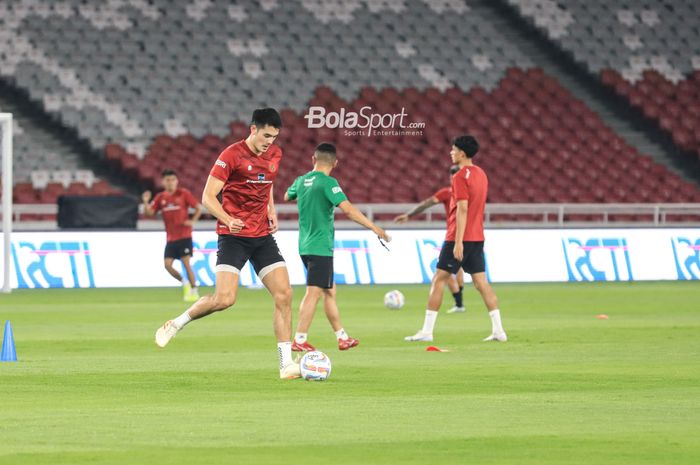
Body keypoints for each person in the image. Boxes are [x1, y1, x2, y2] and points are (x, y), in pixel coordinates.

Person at [154, 108, 302, 380]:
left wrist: (271, 209)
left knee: (285, 294)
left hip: (261, 236)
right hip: (232, 235)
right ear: (253, 129)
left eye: (275, 136)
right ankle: (177, 323)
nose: (270, 141)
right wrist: (227, 218)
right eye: (266, 135)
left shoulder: (275, 154)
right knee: (225, 299)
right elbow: (208, 197)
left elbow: (266, 183)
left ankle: (285, 364)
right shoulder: (230, 156)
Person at [284, 143, 391, 352]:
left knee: (329, 291)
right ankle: (299, 339)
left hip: (305, 245)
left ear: (313, 159)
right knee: (313, 293)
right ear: (335, 163)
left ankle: (342, 337)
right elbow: (349, 210)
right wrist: (374, 227)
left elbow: (288, 196)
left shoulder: (301, 180)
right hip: (320, 245)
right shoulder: (329, 183)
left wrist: (306, 193)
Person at [405, 135, 507, 343]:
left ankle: (426, 331)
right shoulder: (482, 174)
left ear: (462, 153)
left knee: (438, 279)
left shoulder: (460, 176)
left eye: (453, 150)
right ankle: (499, 330)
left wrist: (458, 241)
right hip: (478, 237)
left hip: (457, 238)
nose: (450, 153)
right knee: (481, 283)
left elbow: (462, 209)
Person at [394, 165, 466, 313]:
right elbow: (428, 203)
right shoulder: (463, 194)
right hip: (470, 236)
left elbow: (427, 203)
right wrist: (409, 215)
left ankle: (459, 305)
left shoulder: (448, 193)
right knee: (464, 272)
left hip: (455, 236)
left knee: (443, 272)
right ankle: (461, 303)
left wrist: (409, 215)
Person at [142, 169, 202, 302]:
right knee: (167, 265)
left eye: (173, 180)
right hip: (171, 238)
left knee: (186, 263)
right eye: (168, 180)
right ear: (163, 182)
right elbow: (149, 214)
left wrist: (192, 221)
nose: (170, 182)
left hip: (184, 236)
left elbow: (198, 207)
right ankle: (184, 282)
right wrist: (146, 201)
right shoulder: (160, 197)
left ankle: (194, 290)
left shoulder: (183, 194)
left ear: (177, 181)